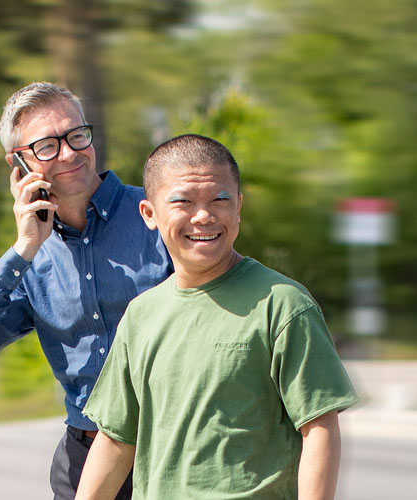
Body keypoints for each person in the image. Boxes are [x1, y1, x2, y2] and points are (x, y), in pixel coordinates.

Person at [75, 134, 359, 500]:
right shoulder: (141, 315)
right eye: (183, 202)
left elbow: (319, 427)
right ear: (149, 214)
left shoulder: (283, 304)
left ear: (238, 206)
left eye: (220, 199)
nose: (204, 216)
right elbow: (116, 438)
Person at [0, 82, 173, 500]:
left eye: (77, 135)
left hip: (173, 447)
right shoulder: (31, 260)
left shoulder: (158, 216)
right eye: (47, 145)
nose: (69, 153)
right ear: (19, 165)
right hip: (82, 457)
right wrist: (24, 247)